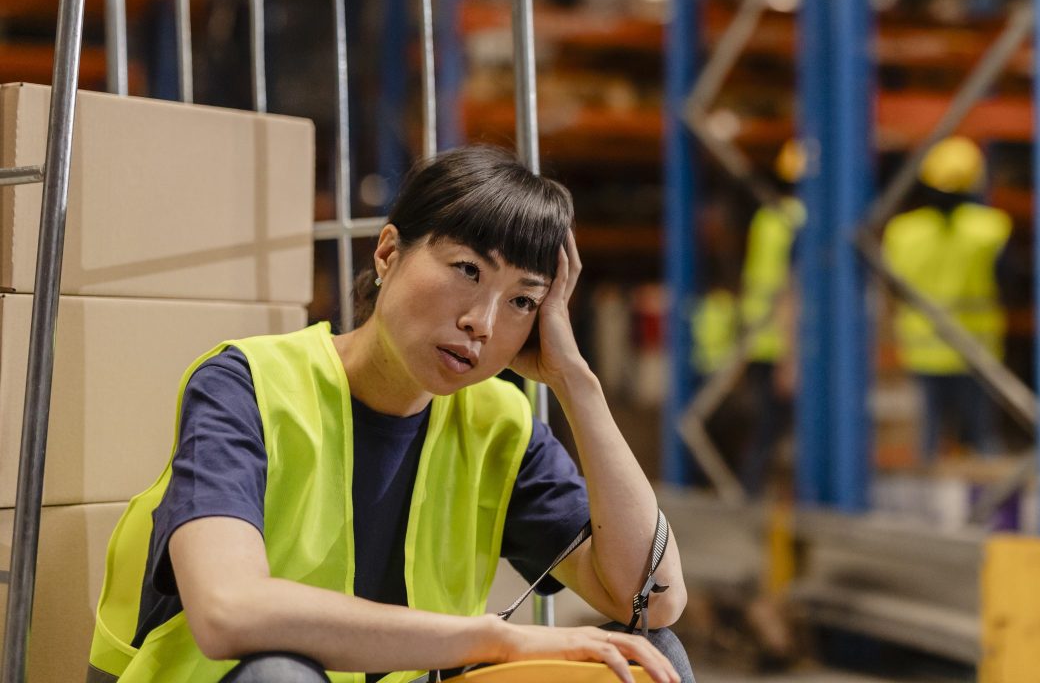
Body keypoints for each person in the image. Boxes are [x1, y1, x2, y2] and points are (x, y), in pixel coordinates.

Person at [89, 145, 691, 683]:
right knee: (279, 674)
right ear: (387, 253)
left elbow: (651, 599)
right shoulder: (246, 386)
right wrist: (497, 639)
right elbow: (228, 611)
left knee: (644, 655)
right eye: (468, 270)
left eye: (521, 301)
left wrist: (576, 383)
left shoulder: (497, 426)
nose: (482, 322)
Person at [882, 137, 1011, 463]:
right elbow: (1008, 281)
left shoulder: (902, 231)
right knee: (981, 437)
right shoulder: (992, 228)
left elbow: (889, 287)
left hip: (922, 347)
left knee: (928, 438)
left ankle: (927, 482)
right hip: (975, 347)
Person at [735, 140, 806, 496]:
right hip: (784, 341)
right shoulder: (801, 220)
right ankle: (755, 492)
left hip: (759, 338)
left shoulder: (767, 217)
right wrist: (790, 358)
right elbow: (791, 290)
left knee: (766, 425)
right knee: (779, 427)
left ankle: (750, 491)